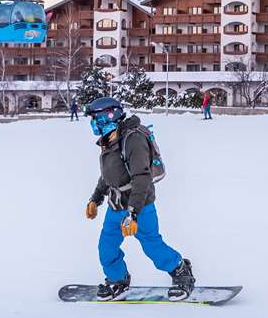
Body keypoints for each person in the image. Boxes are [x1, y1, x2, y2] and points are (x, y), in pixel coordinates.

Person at [83, 97, 195, 302]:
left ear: (110, 115)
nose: (93, 124)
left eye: (95, 118)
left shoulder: (133, 139)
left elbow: (142, 178)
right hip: (115, 206)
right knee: (106, 248)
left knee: (152, 245)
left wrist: (132, 213)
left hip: (140, 204)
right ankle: (118, 280)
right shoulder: (109, 139)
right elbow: (110, 174)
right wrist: (95, 199)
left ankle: (180, 271)